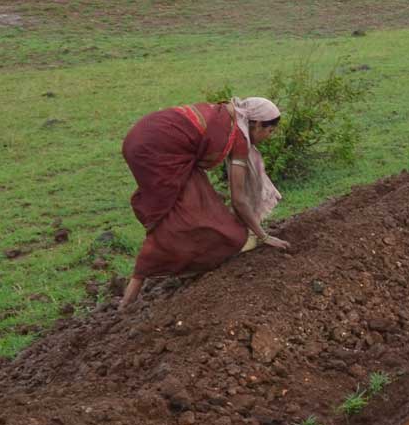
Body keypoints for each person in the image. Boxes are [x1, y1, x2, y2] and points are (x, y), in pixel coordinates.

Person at [118, 96, 289, 308]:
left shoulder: (226, 114)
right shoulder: (238, 137)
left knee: (186, 212)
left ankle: (181, 269)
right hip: (155, 149)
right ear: (257, 124)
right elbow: (239, 198)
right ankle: (132, 293)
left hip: (139, 137)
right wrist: (263, 236)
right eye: (269, 131)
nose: (268, 137)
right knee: (183, 220)